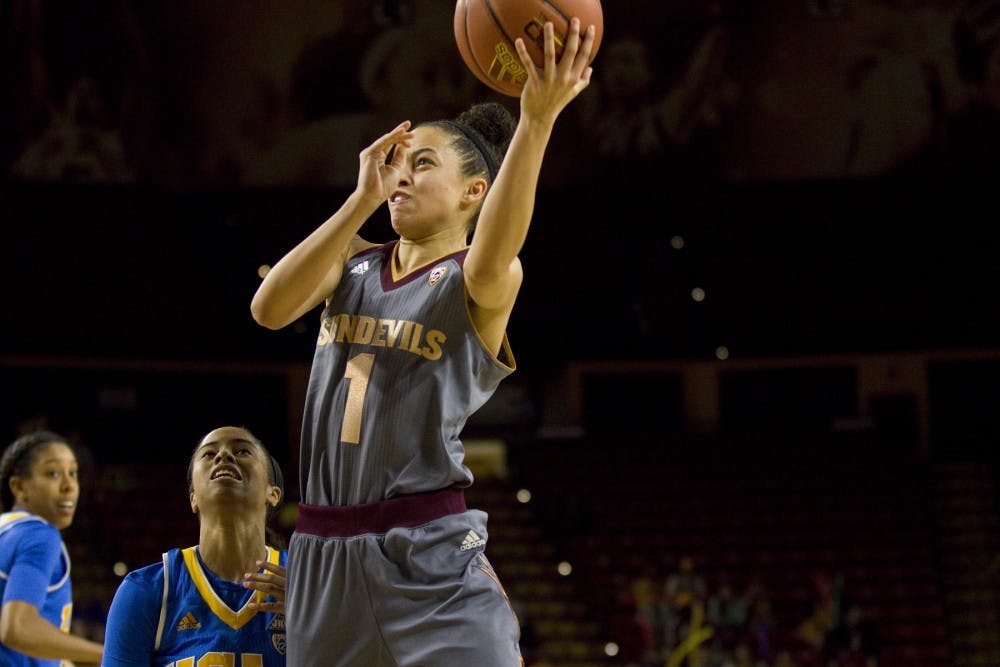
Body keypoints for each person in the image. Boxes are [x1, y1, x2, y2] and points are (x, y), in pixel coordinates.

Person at [250, 16, 597, 666]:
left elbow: (498, 248)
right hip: (323, 552)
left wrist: (537, 122)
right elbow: (268, 310)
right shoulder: (350, 258)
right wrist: (360, 197)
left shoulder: (478, 278)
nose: (399, 177)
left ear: (474, 192)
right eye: (395, 164)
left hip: (428, 554)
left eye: (422, 163)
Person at [100, 426, 287, 667]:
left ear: (273, 493)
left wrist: (317, 614)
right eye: (209, 454)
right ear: (193, 498)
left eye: (242, 451)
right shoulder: (147, 591)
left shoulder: (306, 582)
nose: (223, 456)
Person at [0, 429, 105, 666]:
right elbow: (17, 629)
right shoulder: (40, 535)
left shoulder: (7, 531)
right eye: (53, 473)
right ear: (18, 487)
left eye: (73, 473)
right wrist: (108, 653)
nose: (69, 486)